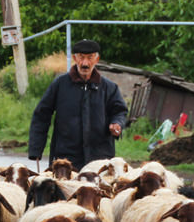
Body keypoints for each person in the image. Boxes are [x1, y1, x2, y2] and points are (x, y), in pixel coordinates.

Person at [27, 39, 128, 171]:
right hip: (65, 158)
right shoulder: (60, 85)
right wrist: (36, 150)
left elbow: (119, 111)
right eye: (81, 57)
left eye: (90, 58)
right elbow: (41, 115)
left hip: (100, 158)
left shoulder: (109, 87)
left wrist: (117, 123)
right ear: (75, 58)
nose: (85, 63)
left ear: (97, 60)